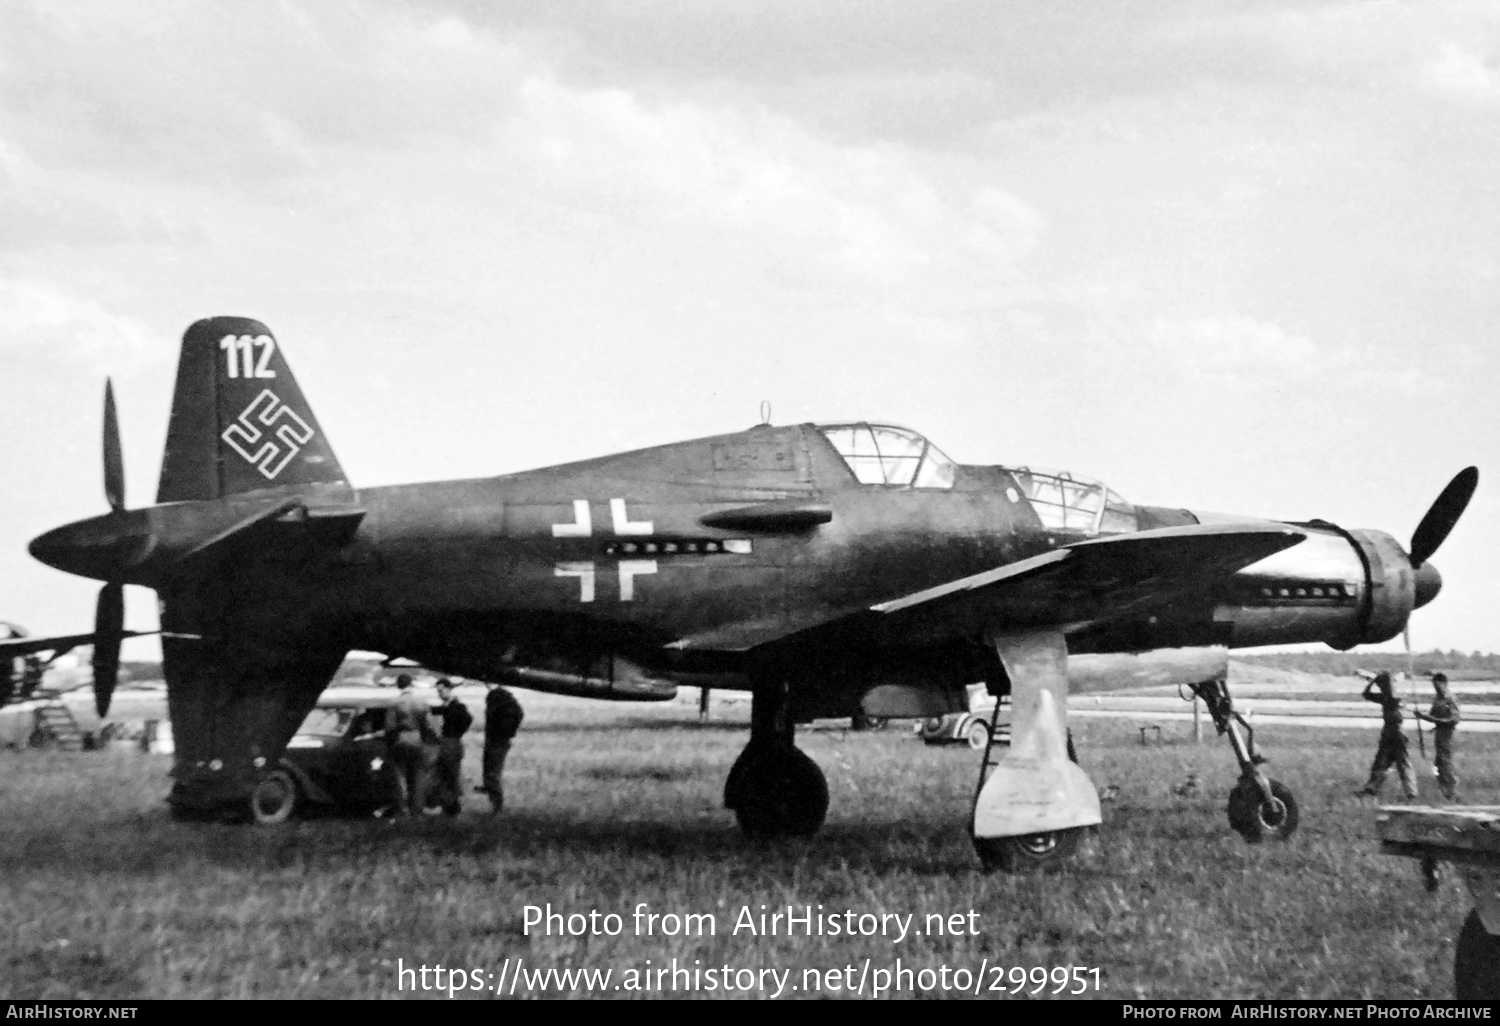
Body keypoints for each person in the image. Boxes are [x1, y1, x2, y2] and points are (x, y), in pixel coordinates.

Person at [1356, 671, 1418, 800]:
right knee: (1381, 762)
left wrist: (1373, 681)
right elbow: (1366, 694)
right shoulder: (1390, 696)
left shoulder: (1393, 698)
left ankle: (1411, 792)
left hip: (1396, 732)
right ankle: (1372, 788)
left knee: (1402, 763)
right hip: (1389, 732)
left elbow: (1368, 694)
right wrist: (1374, 681)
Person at [388, 673, 438, 816]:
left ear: (398, 685)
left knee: (400, 775)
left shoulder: (395, 703)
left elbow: (390, 727)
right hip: (416, 738)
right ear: (411, 684)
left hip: (401, 738)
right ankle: (417, 808)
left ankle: (401, 807)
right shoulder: (421, 702)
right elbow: (429, 726)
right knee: (417, 775)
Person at [477, 682, 524, 814]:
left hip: (497, 740)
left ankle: (497, 804)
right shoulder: (507, 702)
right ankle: (492, 796)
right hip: (498, 740)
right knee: (491, 770)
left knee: (492, 772)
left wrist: (500, 732)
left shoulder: (500, 702)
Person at [430, 678, 474, 814]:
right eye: (438, 691)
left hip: (451, 743)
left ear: (449, 689)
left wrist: (456, 734)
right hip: (451, 742)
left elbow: (467, 719)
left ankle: (452, 805)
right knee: (447, 774)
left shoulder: (456, 707)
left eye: (441, 691)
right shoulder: (449, 707)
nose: (439, 694)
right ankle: (448, 805)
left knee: (449, 774)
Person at [1416, 672, 1461, 801]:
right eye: (1434, 686)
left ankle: (1451, 787)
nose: (1436, 689)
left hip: (1447, 736)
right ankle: (1443, 787)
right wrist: (1431, 722)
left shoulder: (1450, 700)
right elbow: (1434, 716)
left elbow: (1453, 719)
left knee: (1445, 762)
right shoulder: (1437, 700)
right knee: (1437, 764)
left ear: (1444, 684)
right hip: (1439, 735)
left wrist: (1426, 718)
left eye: (1437, 686)